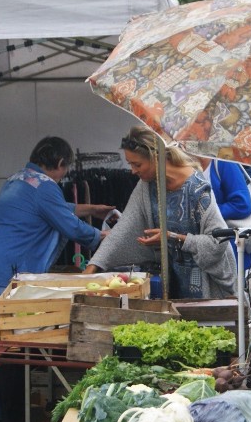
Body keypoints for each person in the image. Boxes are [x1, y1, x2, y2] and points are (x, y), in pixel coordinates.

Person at [0, 136, 116, 422]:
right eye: (65, 170)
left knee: (4, 351)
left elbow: (57, 209)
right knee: (13, 353)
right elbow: (71, 227)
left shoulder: (18, 181)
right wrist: (105, 237)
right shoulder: (46, 187)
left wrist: (92, 208)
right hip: (7, 282)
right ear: (61, 164)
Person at [84, 126, 236, 299]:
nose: (133, 171)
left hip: (210, 284)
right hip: (174, 282)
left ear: (156, 158)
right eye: (130, 164)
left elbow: (218, 241)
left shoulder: (197, 188)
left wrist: (171, 237)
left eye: (137, 164)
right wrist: (93, 268)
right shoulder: (146, 186)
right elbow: (122, 229)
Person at [199, 157, 251, 271]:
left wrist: (205, 213)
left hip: (227, 251)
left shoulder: (221, 162)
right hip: (198, 249)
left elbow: (243, 204)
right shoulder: (179, 164)